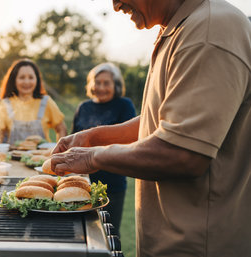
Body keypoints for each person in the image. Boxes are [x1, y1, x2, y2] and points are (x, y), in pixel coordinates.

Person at [50, 0, 251, 256]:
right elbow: (162, 119)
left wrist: (92, 157)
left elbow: (183, 154)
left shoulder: (211, 30)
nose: (115, 5)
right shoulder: (181, 27)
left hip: (198, 245)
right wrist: (93, 137)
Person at [72, 62, 136, 235]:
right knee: (83, 232)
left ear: (116, 85)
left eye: (106, 83)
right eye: (97, 82)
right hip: (82, 183)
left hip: (112, 183)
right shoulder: (84, 107)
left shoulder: (124, 105)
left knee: (110, 233)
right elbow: (74, 140)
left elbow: (129, 139)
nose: (101, 87)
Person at [0, 59, 67, 144]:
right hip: (13, 156)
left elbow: (61, 129)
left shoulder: (46, 102)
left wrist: (59, 151)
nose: (26, 82)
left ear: (37, 80)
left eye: (31, 77)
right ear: (14, 80)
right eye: (22, 77)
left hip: (42, 156)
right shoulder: (5, 104)